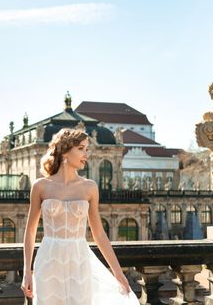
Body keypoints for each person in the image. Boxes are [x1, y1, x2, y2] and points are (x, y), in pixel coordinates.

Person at [21, 128, 140, 304]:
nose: (86, 154)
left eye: (87, 149)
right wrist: (27, 272)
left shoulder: (89, 187)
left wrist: (117, 271)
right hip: (48, 261)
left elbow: (99, 233)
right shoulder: (41, 186)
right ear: (65, 150)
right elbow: (30, 231)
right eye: (81, 148)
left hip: (80, 260)